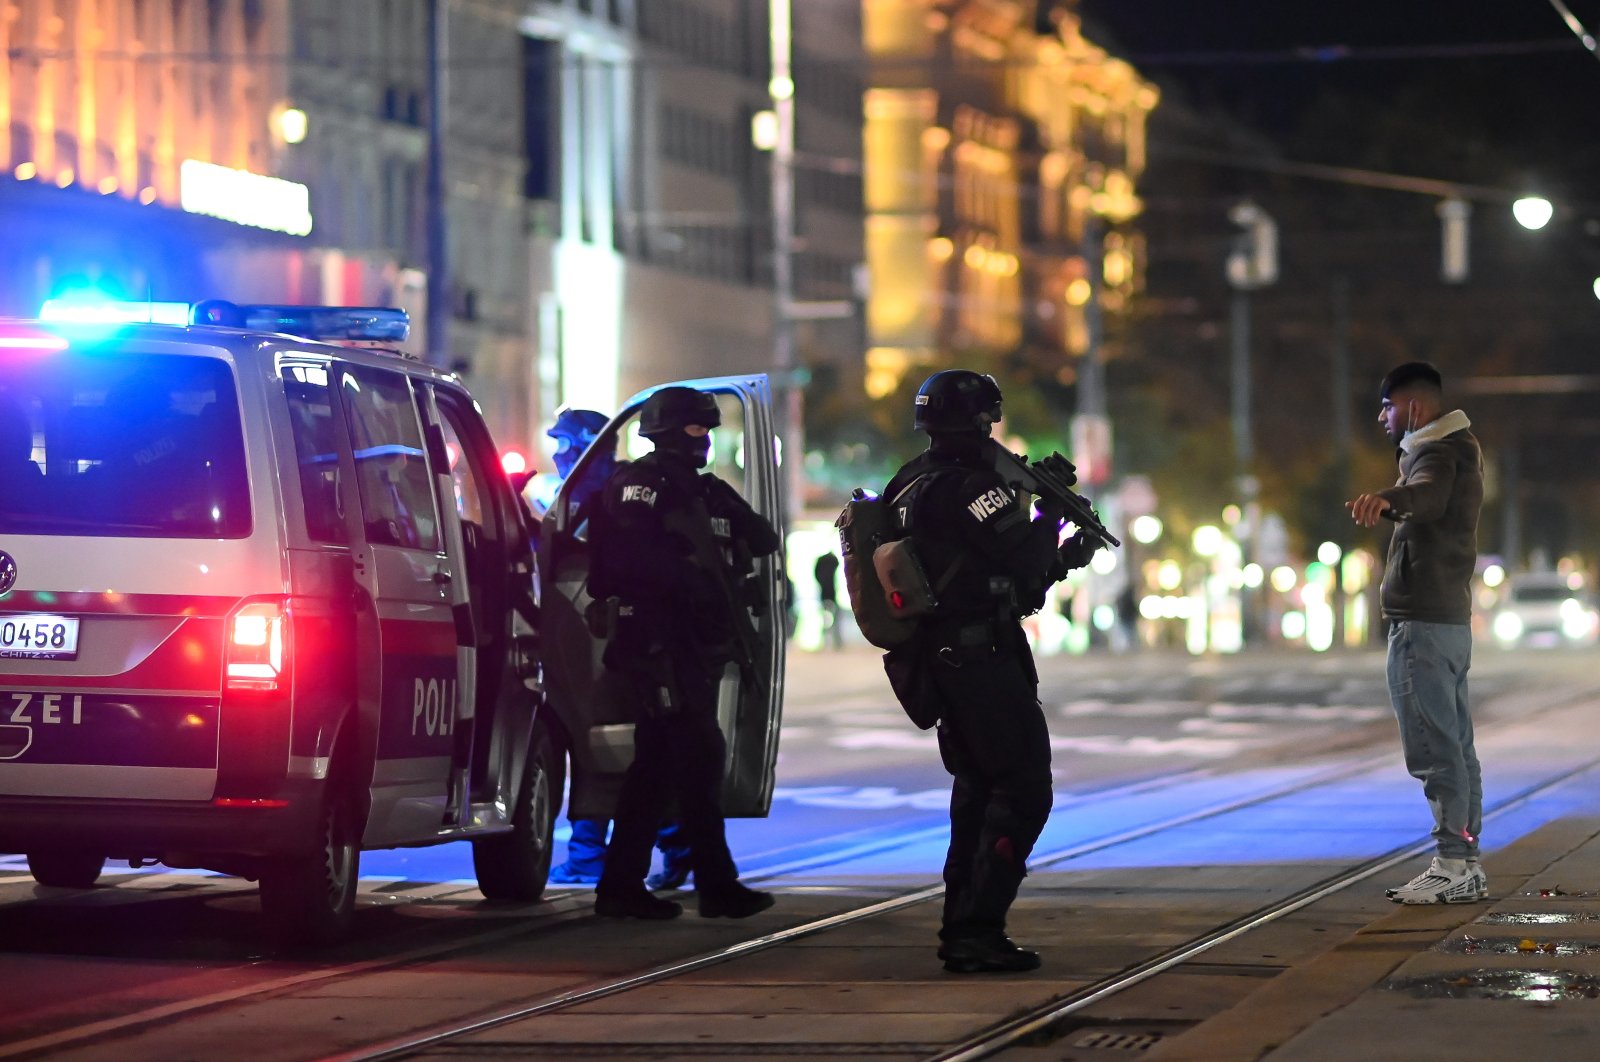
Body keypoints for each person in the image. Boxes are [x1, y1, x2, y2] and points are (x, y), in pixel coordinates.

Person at [884, 369, 1098, 973]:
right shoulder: (976, 488)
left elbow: (1009, 578)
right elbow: (1022, 560)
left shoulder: (909, 479)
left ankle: (966, 929)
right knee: (1024, 788)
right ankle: (976, 930)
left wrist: (1053, 556)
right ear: (982, 420)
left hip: (943, 658)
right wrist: (1049, 517)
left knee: (976, 793)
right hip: (980, 659)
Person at [587, 385, 781, 920]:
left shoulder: (706, 491)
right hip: (656, 644)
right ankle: (713, 885)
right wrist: (685, 571)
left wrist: (716, 522)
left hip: (694, 646)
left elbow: (763, 538)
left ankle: (623, 885)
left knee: (659, 766)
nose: (705, 439)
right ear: (668, 432)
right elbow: (628, 561)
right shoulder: (641, 486)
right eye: (696, 429)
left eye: (709, 430)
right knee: (697, 757)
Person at [532, 408, 692, 890]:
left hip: (615, 641)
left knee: (612, 746)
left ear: (590, 446)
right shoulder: (576, 495)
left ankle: (631, 850)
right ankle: (609, 851)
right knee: (598, 746)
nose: (558, 453)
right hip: (586, 641)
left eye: (565, 443)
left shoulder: (612, 496)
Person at [1346, 361, 1487, 905]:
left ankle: (1453, 861)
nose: (1382, 417)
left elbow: (1427, 496)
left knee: (1432, 748)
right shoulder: (1457, 449)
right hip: (1445, 620)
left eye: (1386, 406)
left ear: (1414, 408)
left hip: (1424, 625)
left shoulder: (1436, 454)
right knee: (1456, 746)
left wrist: (1390, 499)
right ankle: (1465, 861)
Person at [813, 551, 843, 649]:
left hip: (825, 593)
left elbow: (816, 574)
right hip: (831, 593)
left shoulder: (821, 563)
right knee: (833, 619)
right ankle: (835, 642)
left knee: (825, 619)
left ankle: (826, 642)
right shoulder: (832, 562)